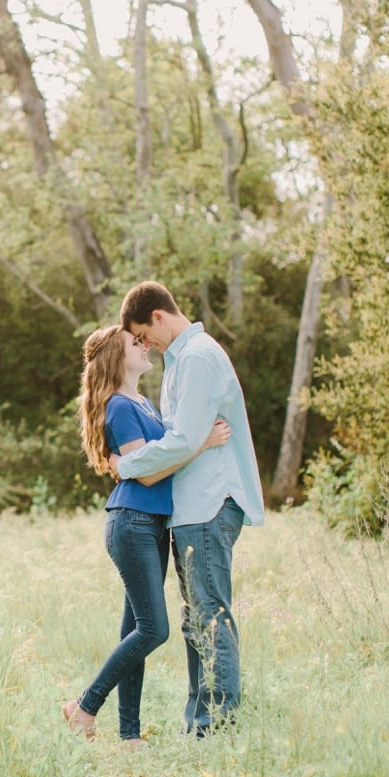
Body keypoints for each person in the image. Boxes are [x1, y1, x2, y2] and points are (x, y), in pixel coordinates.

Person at [62, 324, 230, 747]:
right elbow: (150, 472)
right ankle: (84, 705)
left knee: (134, 630)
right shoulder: (119, 406)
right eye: (134, 344)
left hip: (152, 524)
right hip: (133, 521)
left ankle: (130, 735)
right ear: (117, 358)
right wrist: (202, 443)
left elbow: (150, 458)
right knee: (154, 629)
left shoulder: (144, 404)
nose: (143, 346)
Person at [112, 281, 264, 739]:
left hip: (209, 502)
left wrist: (125, 465)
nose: (145, 345)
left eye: (143, 334)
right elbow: (186, 438)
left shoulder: (197, 357)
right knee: (195, 617)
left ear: (159, 316)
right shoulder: (182, 360)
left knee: (210, 614)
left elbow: (181, 440)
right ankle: (199, 723)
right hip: (193, 504)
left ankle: (215, 726)